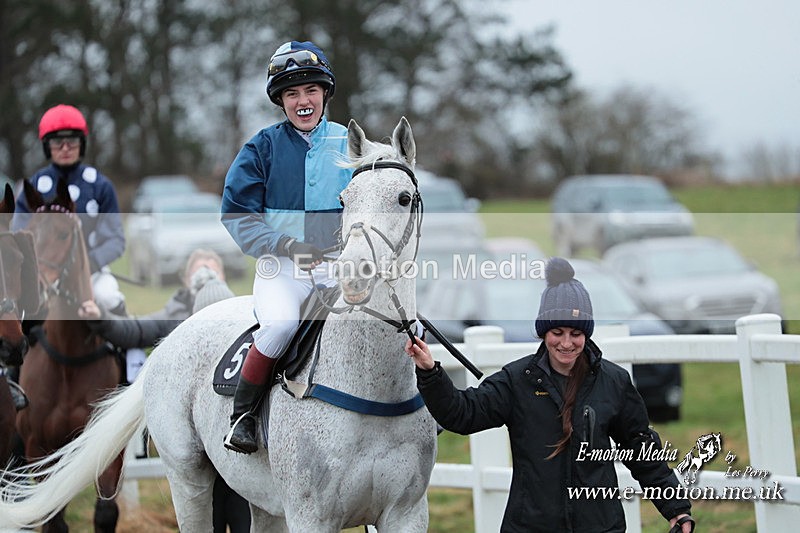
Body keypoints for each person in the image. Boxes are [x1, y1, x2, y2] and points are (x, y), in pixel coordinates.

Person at [405, 257, 694, 533]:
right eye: (557, 332)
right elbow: (461, 414)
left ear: (587, 334)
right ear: (543, 332)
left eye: (576, 333)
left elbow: (643, 452)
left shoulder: (614, 382)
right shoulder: (517, 381)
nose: (566, 343)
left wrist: (676, 509)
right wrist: (430, 372)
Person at [219, 40, 351, 454]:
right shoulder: (261, 147)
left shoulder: (352, 143)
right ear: (281, 101)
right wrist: (285, 244)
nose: (303, 100)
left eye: (311, 90)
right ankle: (243, 416)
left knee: (391, 315)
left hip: (340, 268)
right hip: (283, 270)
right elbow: (237, 215)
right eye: (292, 93)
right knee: (279, 326)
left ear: (325, 93)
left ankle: (421, 405)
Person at [83, 248, 251, 533]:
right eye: (198, 269)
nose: (205, 275)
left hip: (238, 452)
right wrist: (100, 318)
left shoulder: (242, 315)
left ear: (223, 275)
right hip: (198, 448)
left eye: (212, 268)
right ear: (186, 279)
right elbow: (133, 331)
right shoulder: (177, 314)